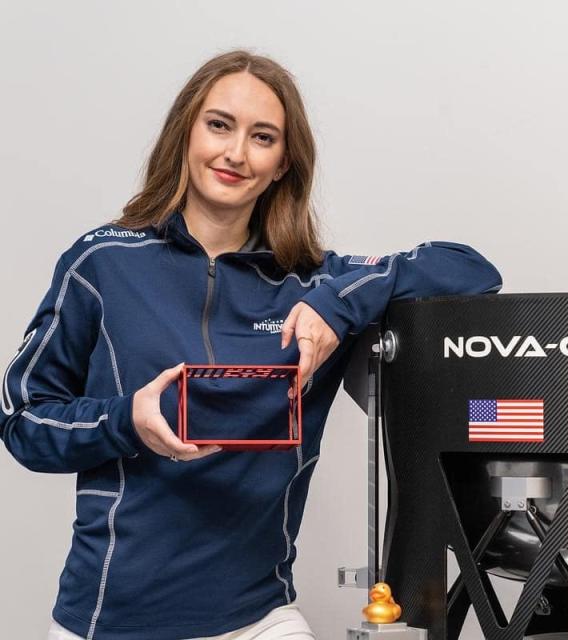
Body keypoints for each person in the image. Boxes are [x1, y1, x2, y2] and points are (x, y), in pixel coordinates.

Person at [1, 50, 502, 640]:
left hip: (257, 619)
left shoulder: (312, 283)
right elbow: (23, 420)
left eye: (262, 137)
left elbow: (470, 269)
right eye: (219, 125)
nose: (236, 153)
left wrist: (338, 305)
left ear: (283, 162)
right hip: (107, 622)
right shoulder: (102, 264)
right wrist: (123, 420)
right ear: (185, 133)